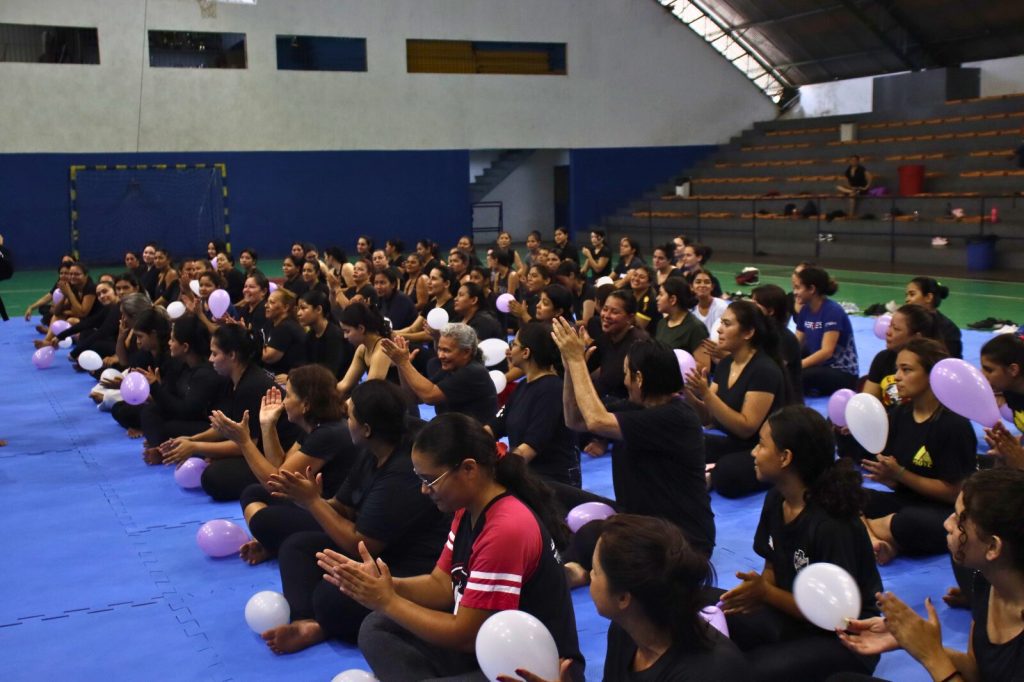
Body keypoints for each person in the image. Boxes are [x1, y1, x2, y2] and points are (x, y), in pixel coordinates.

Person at [321, 412, 585, 681]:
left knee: (385, 618)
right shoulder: (468, 508)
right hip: (488, 651)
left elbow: (466, 636)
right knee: (377, 627)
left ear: (469, 469)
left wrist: (387, 601)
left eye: (430, 480)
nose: (424, 490)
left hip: (532, 671)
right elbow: (441, 585)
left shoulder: (505, 528)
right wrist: (383, 585)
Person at [256, 380, 449, 652]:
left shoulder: (402, 471)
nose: (346, 422)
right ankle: (306, 621)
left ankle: (325, 623)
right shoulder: (372, 451)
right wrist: (309, 499)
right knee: (296, 547)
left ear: (367, 429)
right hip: (374, 547)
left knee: (332, 600)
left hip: (406, 563)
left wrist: (312, 502)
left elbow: (362, 545)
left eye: (350, 417)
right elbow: (342, 506)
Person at [721, 405, 882, 682]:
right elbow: (771, 565)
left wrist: (765, 594)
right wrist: (755, 593)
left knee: (750, 672)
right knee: (707, 610)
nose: (754, 452)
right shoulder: (776, 498)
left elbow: (837, 617)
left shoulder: (831, 525)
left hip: (845, 639)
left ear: (785, 457)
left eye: (761, 445)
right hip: (794, 616)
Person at [836, 468, 1024, 682]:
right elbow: (976, 671)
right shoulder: (986, 582)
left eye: (959, 521)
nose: (946, 524)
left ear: (993, 547)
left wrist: (931, 654)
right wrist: (909, 638)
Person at [553, 317, 716, 561]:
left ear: (639, 378)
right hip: (639, 523)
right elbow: (574, 420)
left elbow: (597, 421)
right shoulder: (635, 407)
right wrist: (570, 369)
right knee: (549, 492)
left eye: (626, 373)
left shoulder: (677, 417)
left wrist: (577, 361)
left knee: (589, 542)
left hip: (681, 541)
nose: (624, 380)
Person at [215, 364, 360, 562]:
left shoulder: (328, 434)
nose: (284, 402)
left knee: (262, 520)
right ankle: (269, 543)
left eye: (289, 395)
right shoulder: (315, 426)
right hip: (312, 501)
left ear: (305, 404)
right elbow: (281, 466)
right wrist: (268, 425)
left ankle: (269, 543)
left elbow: (276, 482)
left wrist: (244, 443)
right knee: (253, 492)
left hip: (331, 514)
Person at [582, 515, 748, 681]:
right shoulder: (624, 630)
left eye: (595, 571)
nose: (590, 575)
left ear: (623, 598)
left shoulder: (709, 673)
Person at [861, 338, 978, 565]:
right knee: (847, 496)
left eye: (906, 370)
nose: (896, 377)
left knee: (907, 523)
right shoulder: (900, 414)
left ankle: (862, 532)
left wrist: (900, 474)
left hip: (943, 513)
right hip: (906, 501)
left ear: (932, 375)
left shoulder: (953, 425)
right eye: (897, 369)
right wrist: (890, 478)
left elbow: (954, 493)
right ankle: (877, 541)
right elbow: (903, 482)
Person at [159, 324, 299, 501]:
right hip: (257, 448)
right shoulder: (235, 379)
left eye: (215, 353)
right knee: (209, 457)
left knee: (213, 477)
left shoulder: (250, 385)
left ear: (232, 355)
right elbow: (229, 427)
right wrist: (192, 439)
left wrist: (196, 447)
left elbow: (245, 444)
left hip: (280, 457)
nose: (210, 359)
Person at [685, 301, 789, 499]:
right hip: (733, 443)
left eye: (727, 324)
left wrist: (706, 394)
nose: (719, 329)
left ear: (748, 333)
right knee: (686, 441)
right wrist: (686, 393)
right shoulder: (726, 364)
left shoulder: (764, 370)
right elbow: (707, 417)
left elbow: (746, 428)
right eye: (721, 323)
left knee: (727, 474)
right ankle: (709, 471)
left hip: (762, 448)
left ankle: (713, 473)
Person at [489, 321, 580, 487]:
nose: (509, 350)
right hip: (526, 474)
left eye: (514, 344)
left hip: (551, 483)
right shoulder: (523, 386)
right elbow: (495, 426)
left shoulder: (552, 390)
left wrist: (496, 471)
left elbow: (531, 446)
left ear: (526, 353)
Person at [139, 314, 226, 463]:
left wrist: (155, 387)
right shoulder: (179, 365)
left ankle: (164, 451)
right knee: (150, 411)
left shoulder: (205, 374)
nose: (169, 343)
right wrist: (156, 389)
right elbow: (170, 398)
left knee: (167, 427)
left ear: (185, 347)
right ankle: (161, 446)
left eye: (173, 340)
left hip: (208, 425)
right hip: (186, 417)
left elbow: (187, 411)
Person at [382, 323, 498, 424]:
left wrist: (404, 363)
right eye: (439, 349)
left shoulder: (474, 372)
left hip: (470, 438)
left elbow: (429, 396)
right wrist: (401, 366)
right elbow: (413, 399)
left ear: (466, 352)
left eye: (446, 350)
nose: (440, 356)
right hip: (450, 430)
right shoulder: (450, 369)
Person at [794, 266, 859, 395]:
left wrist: (796, 366)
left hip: (841, 371)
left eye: (798, 288)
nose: (794, 292)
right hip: (821, 366)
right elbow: (796, 344)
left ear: (811, 289)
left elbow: (826, 352)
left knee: (796, 376)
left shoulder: (832, 311)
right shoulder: (805, 310)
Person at [752, 284, 803, 404]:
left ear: (770, 311)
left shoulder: (785, 338)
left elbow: (771, 372)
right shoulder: (758, 331)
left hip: (785, 401)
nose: (750, 307)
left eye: (755, 304)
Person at [980, 334, 1024, 469]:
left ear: (1013, 370)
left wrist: (1019, 460)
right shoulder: (1011, 393)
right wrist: (1009, 446)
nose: (982, 375)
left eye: (989, 370)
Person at [336, 302, 395, 401]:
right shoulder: (362, 349)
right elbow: (344, 385)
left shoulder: (382, 350)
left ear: (361, 329)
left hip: (396, 405)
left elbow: (369, 393)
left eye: (347, 331)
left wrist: (343, 406)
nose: (345, 336)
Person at [905, 276, 962, 358]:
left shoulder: (949, 330)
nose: (907, 299)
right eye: (906, 295)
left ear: (928, 297)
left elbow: (950, 360)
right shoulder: (905, 322)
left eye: (912, 294)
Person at [298, 290, 348, 379]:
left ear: (318, 309)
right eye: (298, 309)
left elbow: (332, 373)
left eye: (303, 308)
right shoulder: (309, 335)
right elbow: (305, 366)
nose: (299, 313)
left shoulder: (335, 335)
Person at [654, 276, 709, 356]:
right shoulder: (661, 324)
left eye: (661, 294)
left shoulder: (696, 328)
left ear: (673, 299)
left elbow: (703, 362)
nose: (657, 298)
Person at [262, 288, 308, 378]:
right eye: (267, 302)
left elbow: (267, 357)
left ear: (285, 307)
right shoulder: (272, 323)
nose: (266, 305)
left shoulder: (286, 327)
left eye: (272, 302)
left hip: (290, 378)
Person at [554, 261, 595, 328]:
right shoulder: (572, 292)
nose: (562, 285)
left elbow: (586, 322)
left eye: (562, 281)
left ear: (571, 275)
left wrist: (564, 323)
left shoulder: (589, 291)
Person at [691, 270, 728, 340]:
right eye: (698, 282)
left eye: (707, 282)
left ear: (712, 287)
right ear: (691, 287)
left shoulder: (722, 307)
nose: (702, 285)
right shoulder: (690, 309)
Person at [628, 265, 660, 331]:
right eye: (635, 275)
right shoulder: (630, 292)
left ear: (650, 283)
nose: (636, 279)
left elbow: (639, 328)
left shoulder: (649, 300)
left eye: (641, 277)